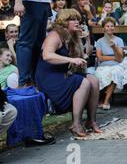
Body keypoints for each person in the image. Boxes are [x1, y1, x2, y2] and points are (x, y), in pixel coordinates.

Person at [35, 9, 101, 137]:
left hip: (62, 74)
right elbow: (47, 55)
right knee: (83, 82)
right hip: (49, 77)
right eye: (72, 19)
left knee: (94, 80)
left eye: (77, 19)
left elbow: (86, 54)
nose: (77, 22)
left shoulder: (72, 36)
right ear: (64, 22)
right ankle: (76, 124)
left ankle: (91, 121)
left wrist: (86, 38)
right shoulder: (54, 35)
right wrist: (71, 59)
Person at [94, 18, 127, 110]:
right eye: (107, 26)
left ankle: (106, 100)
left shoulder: (119, 40)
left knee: (115, 72)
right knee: (101, 74)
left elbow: (120, 58)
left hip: (117, 64)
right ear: (104, 28)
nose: (110, 28)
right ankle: (100, 99)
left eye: (112, 26)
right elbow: (99, 57)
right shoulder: (100, 41)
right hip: (104, 64)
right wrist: (113, 57)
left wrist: (114, 47)